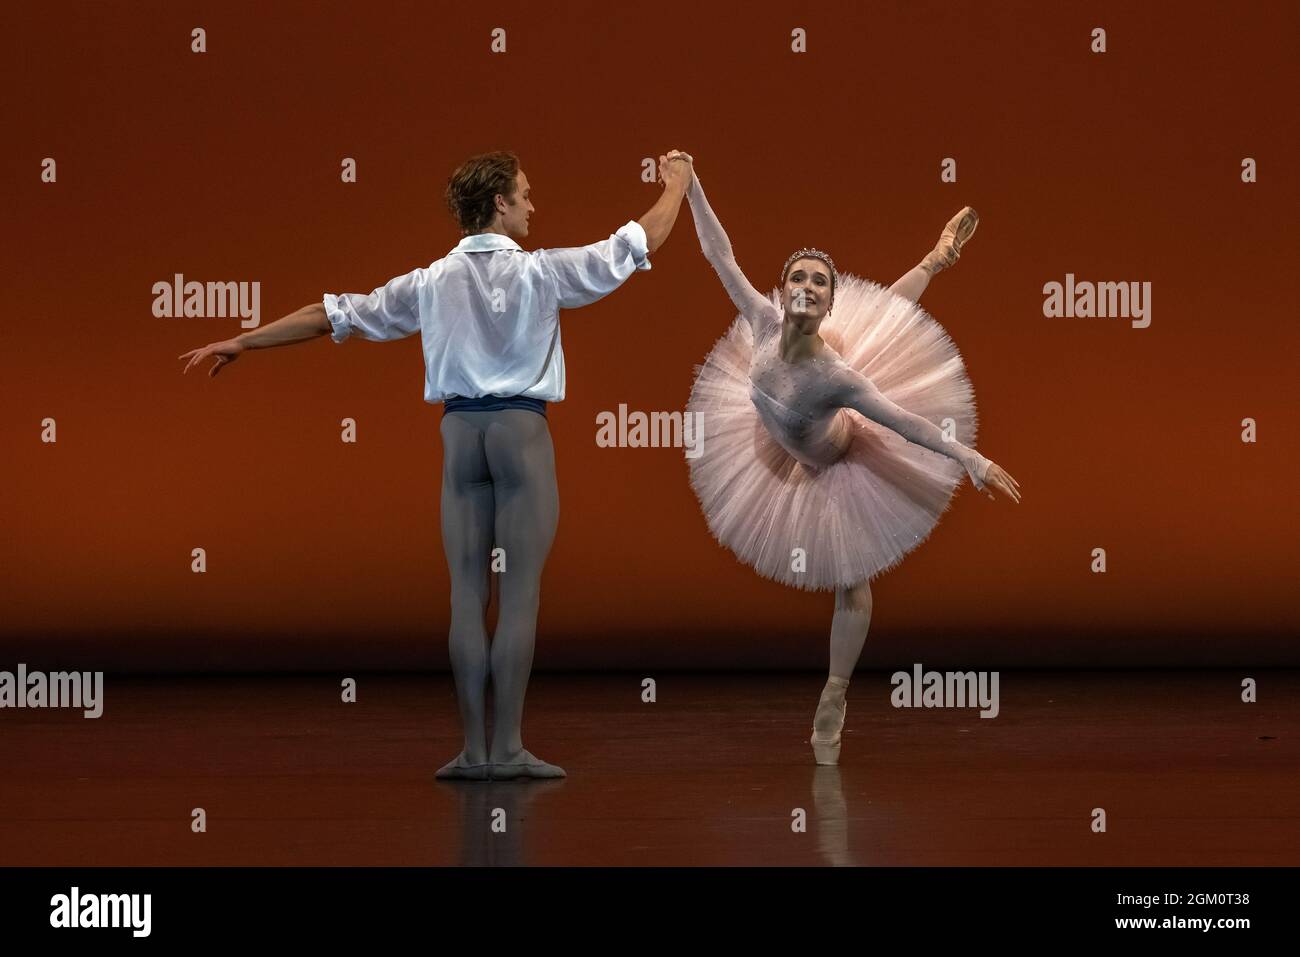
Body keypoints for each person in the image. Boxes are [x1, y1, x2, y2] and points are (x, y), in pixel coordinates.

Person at [180, 149, 695, 780]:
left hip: (459, 434)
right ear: (500, 204)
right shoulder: (542, 273)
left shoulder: (428, 282)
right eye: (526, 195)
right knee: (520, 596)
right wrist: (677, 183)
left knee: (466, 594)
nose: (535, 205)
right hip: (520, 430)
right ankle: (507, 750)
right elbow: (639, 240)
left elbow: (330, 315)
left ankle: (471, 751)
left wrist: (244, 339)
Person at [678, 154, 1021, 765]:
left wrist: (969, 457)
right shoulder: (758, 320)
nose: (807, 288)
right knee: (885, 324)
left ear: (830, 304)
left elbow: (907, 423)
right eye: (799, 278)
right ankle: (936, 258)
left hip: (843, 458)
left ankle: (834, 695)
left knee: (851, 586)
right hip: (781, 447)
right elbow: (717, 253)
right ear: (781, 291)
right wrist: (691, 182)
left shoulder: (837, 377)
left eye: (820, 284)